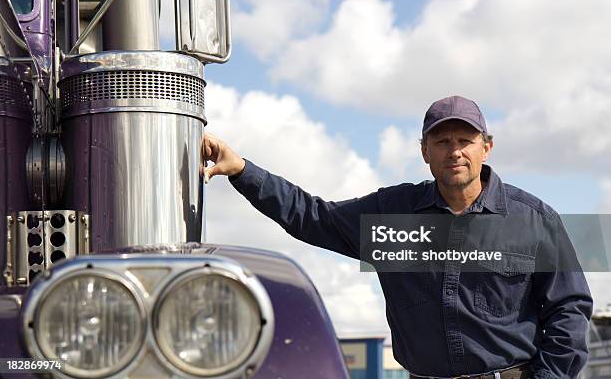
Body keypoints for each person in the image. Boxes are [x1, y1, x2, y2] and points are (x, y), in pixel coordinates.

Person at [201, 95, 592, 379]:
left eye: (465, 141)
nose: (454, 151)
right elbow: (311, 216)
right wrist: (242, 171)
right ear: (424, 151)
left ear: (486, 148)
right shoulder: (392, 215)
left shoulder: (533, 220)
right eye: (441, 142)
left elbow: (569, 309)